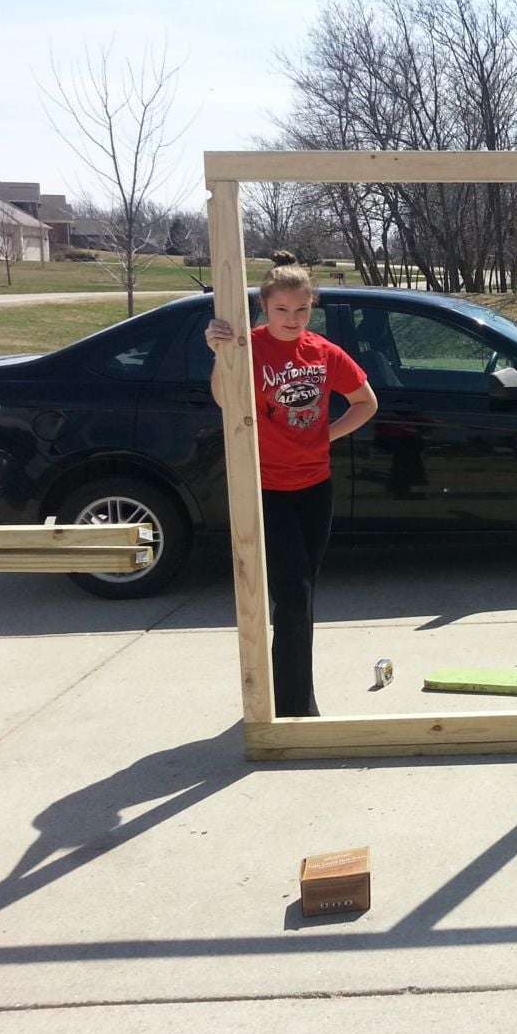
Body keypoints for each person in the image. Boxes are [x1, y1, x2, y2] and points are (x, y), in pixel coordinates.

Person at [204, 252, 378, 717]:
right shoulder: (248, 347)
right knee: (294, 596)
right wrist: (222, 354)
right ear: (264, 306)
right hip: (265, 489)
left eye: (301, 309)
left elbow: (365, 402)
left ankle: (290, 695)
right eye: (282, 309)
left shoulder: (323, 352)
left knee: (300, 595)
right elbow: (224, 398)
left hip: (315, 487)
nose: (292, 318)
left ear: (311, 308)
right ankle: (296, 708)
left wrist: (325, 435)